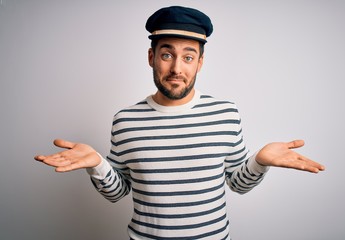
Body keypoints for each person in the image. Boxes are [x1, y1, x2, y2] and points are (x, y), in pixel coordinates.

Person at [34, 6, 325, 240]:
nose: (176, 68)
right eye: (166, 54)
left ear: (199, 62)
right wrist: (97, 164)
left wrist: (259, 162)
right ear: (152, 57)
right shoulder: (125, 120)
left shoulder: (226, 113)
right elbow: (119, 191)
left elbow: (237, 184)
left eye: (188, 57)